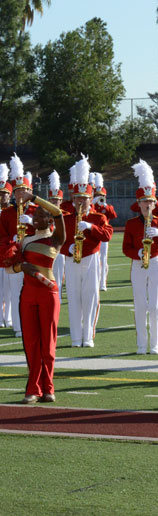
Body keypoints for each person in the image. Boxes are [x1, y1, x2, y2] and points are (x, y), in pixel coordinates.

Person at [10, 188, 65, 403]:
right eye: (34, 215)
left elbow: (59, 213)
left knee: (47, 343)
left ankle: (48, 387)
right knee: (31, 343)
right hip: (28, 293)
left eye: (41, 215)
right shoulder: (25, 240)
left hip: (48, 293)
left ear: (48, 219)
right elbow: (10, 267)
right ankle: (33, 388)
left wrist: (33, 198)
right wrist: (22, 267)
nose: (35, 218)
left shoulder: (56, 238)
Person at [123, 160, 158, 355]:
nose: (148, 204)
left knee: (155, 305)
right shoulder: (131, 224)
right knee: (139, 305)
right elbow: (125, 248)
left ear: (155, 204)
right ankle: (141, 344)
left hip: (155, 262)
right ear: (138, 204)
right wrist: (137, 253)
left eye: (151, 201)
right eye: (144, 201)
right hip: (138, 264)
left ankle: (154, 344)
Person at [61, 156, 113, 348]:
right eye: (77, 198)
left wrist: (91, 227)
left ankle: (88, 336)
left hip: (91, 258)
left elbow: (107, 235)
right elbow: (57, 241)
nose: (81, 201)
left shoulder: (98, 217)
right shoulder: (66, 219)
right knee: (73, 297)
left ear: (91, 199)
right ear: (73, 199)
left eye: (84, 198)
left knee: (90, 297)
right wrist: (68, 248)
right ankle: (75, 338)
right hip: (72, 260)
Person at [0, 155, 38, 338]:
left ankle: (31, 324)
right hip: (15, 258)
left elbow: (50, 231)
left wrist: (32, 222)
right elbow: (1, 236)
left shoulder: (38, 210)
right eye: (17, 191)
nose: (20, 194)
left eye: (24, 191)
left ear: (30, 191)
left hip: (33, 257)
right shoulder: (7, 214)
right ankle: (18, 327)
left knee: (33, 293)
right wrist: (12, 239)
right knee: (15, 293)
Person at [91, 173, 116, 290]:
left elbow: (113, 215)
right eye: (96, 195)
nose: (99, 197)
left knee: (103, 259)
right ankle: (94, 281)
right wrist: (93, 202)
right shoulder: (92, 206)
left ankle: (103, 283)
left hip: (103, 235)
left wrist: (105, 205)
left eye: (101, 195)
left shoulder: (106, 206)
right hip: (93, 234)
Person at [0, 164, 12, 328]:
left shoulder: (13, 211)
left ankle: (8, 317)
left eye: (5, 194)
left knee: (10, 290)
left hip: (9, 254)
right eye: (0, 193)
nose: (2, 196)